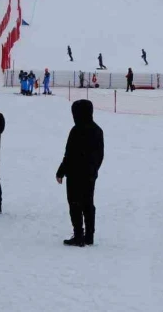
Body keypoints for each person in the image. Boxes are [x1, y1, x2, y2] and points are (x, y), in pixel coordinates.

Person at [56, 99, 104, 247]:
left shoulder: (76, 130)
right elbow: (100, 155)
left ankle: (78, 235)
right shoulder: (97, 130)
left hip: (75, 174)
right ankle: (89, 236)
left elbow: (69, 154)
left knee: (75, 204)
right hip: (89, 174)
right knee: (88, 204)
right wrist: (93, 169)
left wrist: (61, 171)